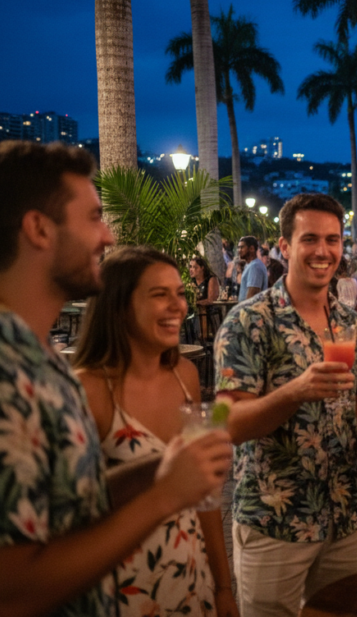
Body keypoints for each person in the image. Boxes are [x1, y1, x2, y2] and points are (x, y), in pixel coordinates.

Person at [0, 141, 232, 617]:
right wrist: (164, 496)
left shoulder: (38, 359)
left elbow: (74, 502)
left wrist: (162, 467)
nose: (107, 236)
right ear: (39, 229)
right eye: (92, 217)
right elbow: (0, 594)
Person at [214, 193, 357, 617]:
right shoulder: (248, 321)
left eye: (333, 240)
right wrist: (296, 391)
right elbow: (229, 425)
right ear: (286, 246)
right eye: (310, 239)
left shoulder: (351, 323)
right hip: (276, 518)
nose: (323, 251)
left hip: (344, 514)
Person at [74, 247, 238, 617]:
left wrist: (224, 586)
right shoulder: (87, 390)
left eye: (180, 293)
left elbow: (206, 496)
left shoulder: (186, 376)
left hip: (192, 578)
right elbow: (74, 515)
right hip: (124, 588)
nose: (178, 306)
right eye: (159, 295)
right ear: (118, 305)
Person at [237, 235, 268, 299]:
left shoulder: (255, 266)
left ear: (252, 249)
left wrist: (245, 308)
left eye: (242, 247)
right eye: (238, 248)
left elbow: (253, 295)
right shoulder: (249, 265)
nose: (239, 250)